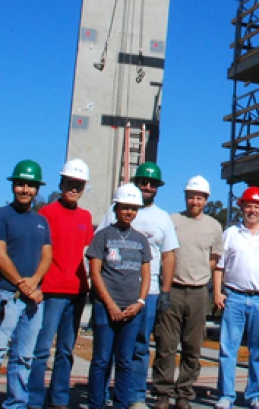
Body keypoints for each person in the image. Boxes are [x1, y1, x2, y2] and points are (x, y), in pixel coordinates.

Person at [0, 160, 53, 409]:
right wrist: (22, 284)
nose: (25, 189)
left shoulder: (41, 222)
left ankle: (16, 405)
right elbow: (0, 257)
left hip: (32, 300)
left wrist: (35, 282)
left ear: (37, 189)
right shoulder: (1, 217)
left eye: (30, 185)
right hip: (6, 296)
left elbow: (47, 255)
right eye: (20, 184)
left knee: (24, 357)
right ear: (13, 186)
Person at [97, 162, 179, 409]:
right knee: (109, 348)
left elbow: (169, 256)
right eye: (143, 181)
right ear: (136, 182)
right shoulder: (115, 212)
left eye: (153, 184)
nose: (148, 186)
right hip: (115, 291)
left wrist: (165, 291)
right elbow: (97, 247)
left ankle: (135, 396)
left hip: (149, 292)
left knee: (140, 346)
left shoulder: (162, 218)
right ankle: (102, 395)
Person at [213, 187, 259, 409]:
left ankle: (254, 396)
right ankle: (226, 396)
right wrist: (217, 292)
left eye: (257, 206)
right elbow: (219, 267)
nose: (252, 210)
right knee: (228, 349)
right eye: (249, 206)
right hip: (234, 297)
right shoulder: (230, 234)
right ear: (242, 208)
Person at [28, 159, 95, 409]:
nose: (74, 188)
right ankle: (34, 399)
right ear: (62, 183)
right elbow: (37, 252)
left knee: (66, 351)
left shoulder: (85, 217)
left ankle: (59, 399)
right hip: (51, 291)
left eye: (78, 185)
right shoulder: (46, 213)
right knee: (42, 348)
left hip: (77, 292)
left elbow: (89, 254)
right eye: (70, 183)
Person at [153, 175, 224, 409]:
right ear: (185, 197)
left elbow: (214, 259)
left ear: (206, 200)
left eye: (200, 197)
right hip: (172, 289)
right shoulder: (171, 220)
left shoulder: (214, 226)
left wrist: (201, 274)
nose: (195, 201)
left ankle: (184, 393)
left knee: (193, 346)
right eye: (192, 197)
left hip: (198, 292)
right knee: (166, 345)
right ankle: (163, 392)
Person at [87, 184, 152, 409]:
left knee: (125, 361)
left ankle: (121, 404)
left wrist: (140, 303)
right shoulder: (102, 236)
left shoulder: (141, 240)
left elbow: (146, 275)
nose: (129, 212)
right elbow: (94, 272)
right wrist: (110, 304)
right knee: (102, 360)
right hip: (106, 308)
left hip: (131, 311)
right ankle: (96, 404)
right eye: (125, 207)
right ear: (116, 208)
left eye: (133, 209)